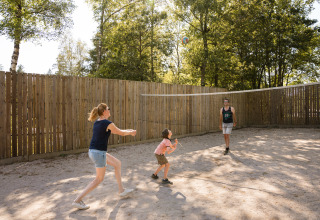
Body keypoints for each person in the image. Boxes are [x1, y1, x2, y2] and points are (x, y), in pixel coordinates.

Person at [72, 103, 136, 210]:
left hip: (94, 151)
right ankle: (77, 200)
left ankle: (121, 190)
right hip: (98, 153)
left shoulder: (98, 122)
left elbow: (119, 131)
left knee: (117, 164)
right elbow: (121, 133)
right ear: (104, 112)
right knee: (98, 179)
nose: (110, 110)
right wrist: (131, 132)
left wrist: (129, 131)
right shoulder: (107, 123)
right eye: (108, 109)